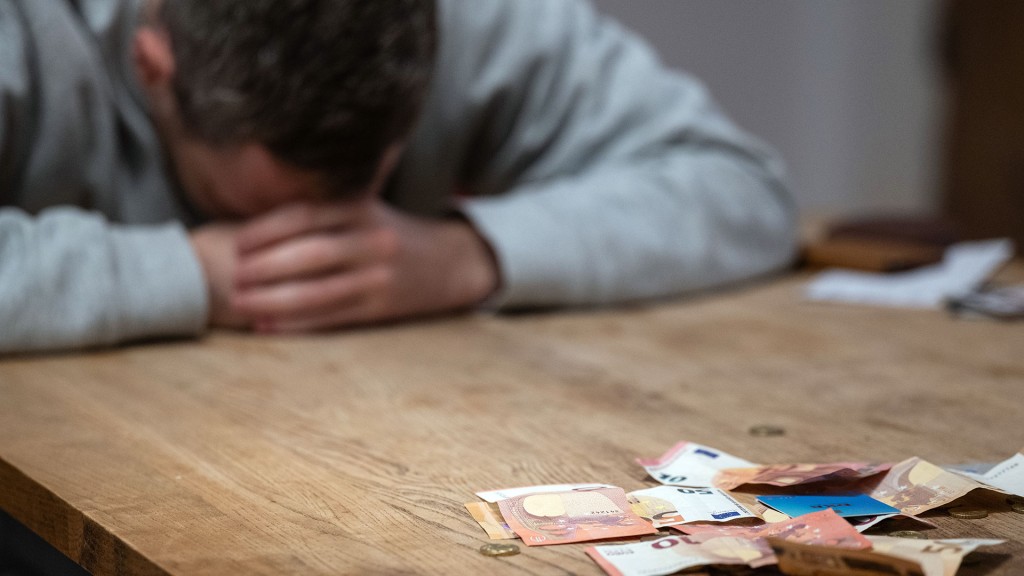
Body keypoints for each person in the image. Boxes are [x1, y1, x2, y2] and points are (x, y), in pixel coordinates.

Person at [0, 0, 797, 355]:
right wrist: (193, 274)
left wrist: (466, 257)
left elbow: (742, 189)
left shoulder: (472, 19)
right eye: (264, 224)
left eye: (357, 205)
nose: (317, 250)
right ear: (153, 70)